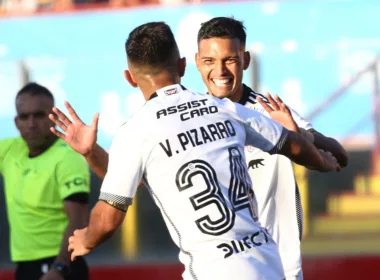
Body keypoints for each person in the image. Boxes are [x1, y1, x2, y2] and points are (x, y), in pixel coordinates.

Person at [55, 22, 339, 280]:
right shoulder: (226, 109)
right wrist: (323, 163)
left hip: (213, 269)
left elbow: (107, 219)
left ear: (130, 78)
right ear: (182, 66)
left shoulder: (136, 131)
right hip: (268, 262)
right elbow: (293, 143)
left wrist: (86, 240)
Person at [195, 17, 348, 280]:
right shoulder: (190, 120)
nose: (220, 71)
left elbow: (340, 156)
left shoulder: (269, 111)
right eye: (210, 61)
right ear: (197, 62)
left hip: (278, 270)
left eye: (230, 60)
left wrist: (296, 136)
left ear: (245, 60)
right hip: (218, 270)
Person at [0, 83, 90, 280]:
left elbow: (79, 220)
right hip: (24, 265)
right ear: (16, 122)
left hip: (59, 265)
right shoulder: (10, 150)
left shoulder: (67, 157)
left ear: (54, 118)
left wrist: (59, 268)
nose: (31, 123)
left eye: (39, 115)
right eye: (24, 117)